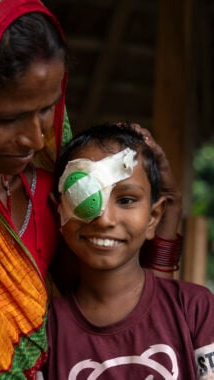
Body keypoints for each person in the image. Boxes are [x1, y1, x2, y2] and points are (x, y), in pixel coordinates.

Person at [0, 0, 182, 379]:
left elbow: (126, 324)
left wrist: (169, 210)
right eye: (7, 118)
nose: (36, 138)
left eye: (48, 108)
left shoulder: (48, 195)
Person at [42, 122, 214, 379]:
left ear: (154, 217)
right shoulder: (44, 333)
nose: (104, 219)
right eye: (84, 197)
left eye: (126, 200)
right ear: (58, 214)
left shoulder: (195, 309)